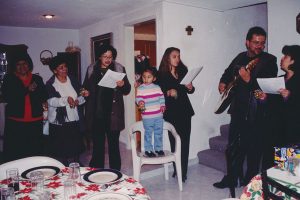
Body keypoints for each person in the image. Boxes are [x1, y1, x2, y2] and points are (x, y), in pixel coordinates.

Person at [213, 26, 278, 189]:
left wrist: (249, 80)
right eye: (256, 42)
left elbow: (267, 87)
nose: (260, 46)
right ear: (247, 42)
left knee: (254, 150)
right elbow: (228, 73)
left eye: (262, 43)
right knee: (233, 148)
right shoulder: (240, 57)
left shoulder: (270, 60)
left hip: (257, 113)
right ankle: (231, 178)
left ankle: (250, 183)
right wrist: (222, 82)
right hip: (238, 110)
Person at [83, 44, 131, 170]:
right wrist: (85, 92)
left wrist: (122, 85)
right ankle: (96, 171)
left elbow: (127, 89)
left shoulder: (119, 68)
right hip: (96, 113)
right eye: (105, 56)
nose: (108, 59)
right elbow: (85, 87)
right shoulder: (91, 69)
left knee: (114, 145)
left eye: (110, 56)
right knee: (98, 145)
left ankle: (116, 171)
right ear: (99, 56)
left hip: (113, 114)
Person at [2, 53, 48, 162]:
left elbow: (44, 95)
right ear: (14, 66)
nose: (22, 66)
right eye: (18, 64)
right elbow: (8, 97)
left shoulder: (37, 78)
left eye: (25, 64)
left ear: (29, 65)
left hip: (35, 120)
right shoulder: (9, 79)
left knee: (35, 151)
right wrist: (27, 89)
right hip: (16, 122)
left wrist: (44, 99)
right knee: (17, 152)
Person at [158, 47, 195, 182]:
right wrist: (167, 93)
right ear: (167, 57)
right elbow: (158, 93)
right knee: (174, 142)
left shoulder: (183, 70)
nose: (178, 59)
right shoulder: (161, 74)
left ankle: (183, 172)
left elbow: (189, 90)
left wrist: (190, 87)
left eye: (179, 56)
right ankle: (176, 169)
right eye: (174, 56)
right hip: (171, 113)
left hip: (185, 110)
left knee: (185, 142)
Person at [45, 56, 88, 166]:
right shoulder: (50, 84)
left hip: (74, 116)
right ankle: (64, 165)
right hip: (60, 120)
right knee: (62, 145)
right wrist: (65, 100)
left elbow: (82, 94)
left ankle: (77, 162)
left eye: (65, 66)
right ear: (55, 71)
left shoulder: (73, 79)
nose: (65, 69)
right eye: (61, 68)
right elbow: (51, 101)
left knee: (76, 142)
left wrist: (79, 100)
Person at [136, 67, 166, 157]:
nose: (146, 79)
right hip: (147, 116)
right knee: (148, 133)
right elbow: (138, 98)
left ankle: (158, 148)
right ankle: (148, 150)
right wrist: (140, 102)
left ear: (154, 78)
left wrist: (162, 105)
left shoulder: (157, 87)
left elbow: (161, 97)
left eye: (149, 77)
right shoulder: (140, 88)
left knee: (158, 132)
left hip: (158, 115)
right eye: (144, 77)